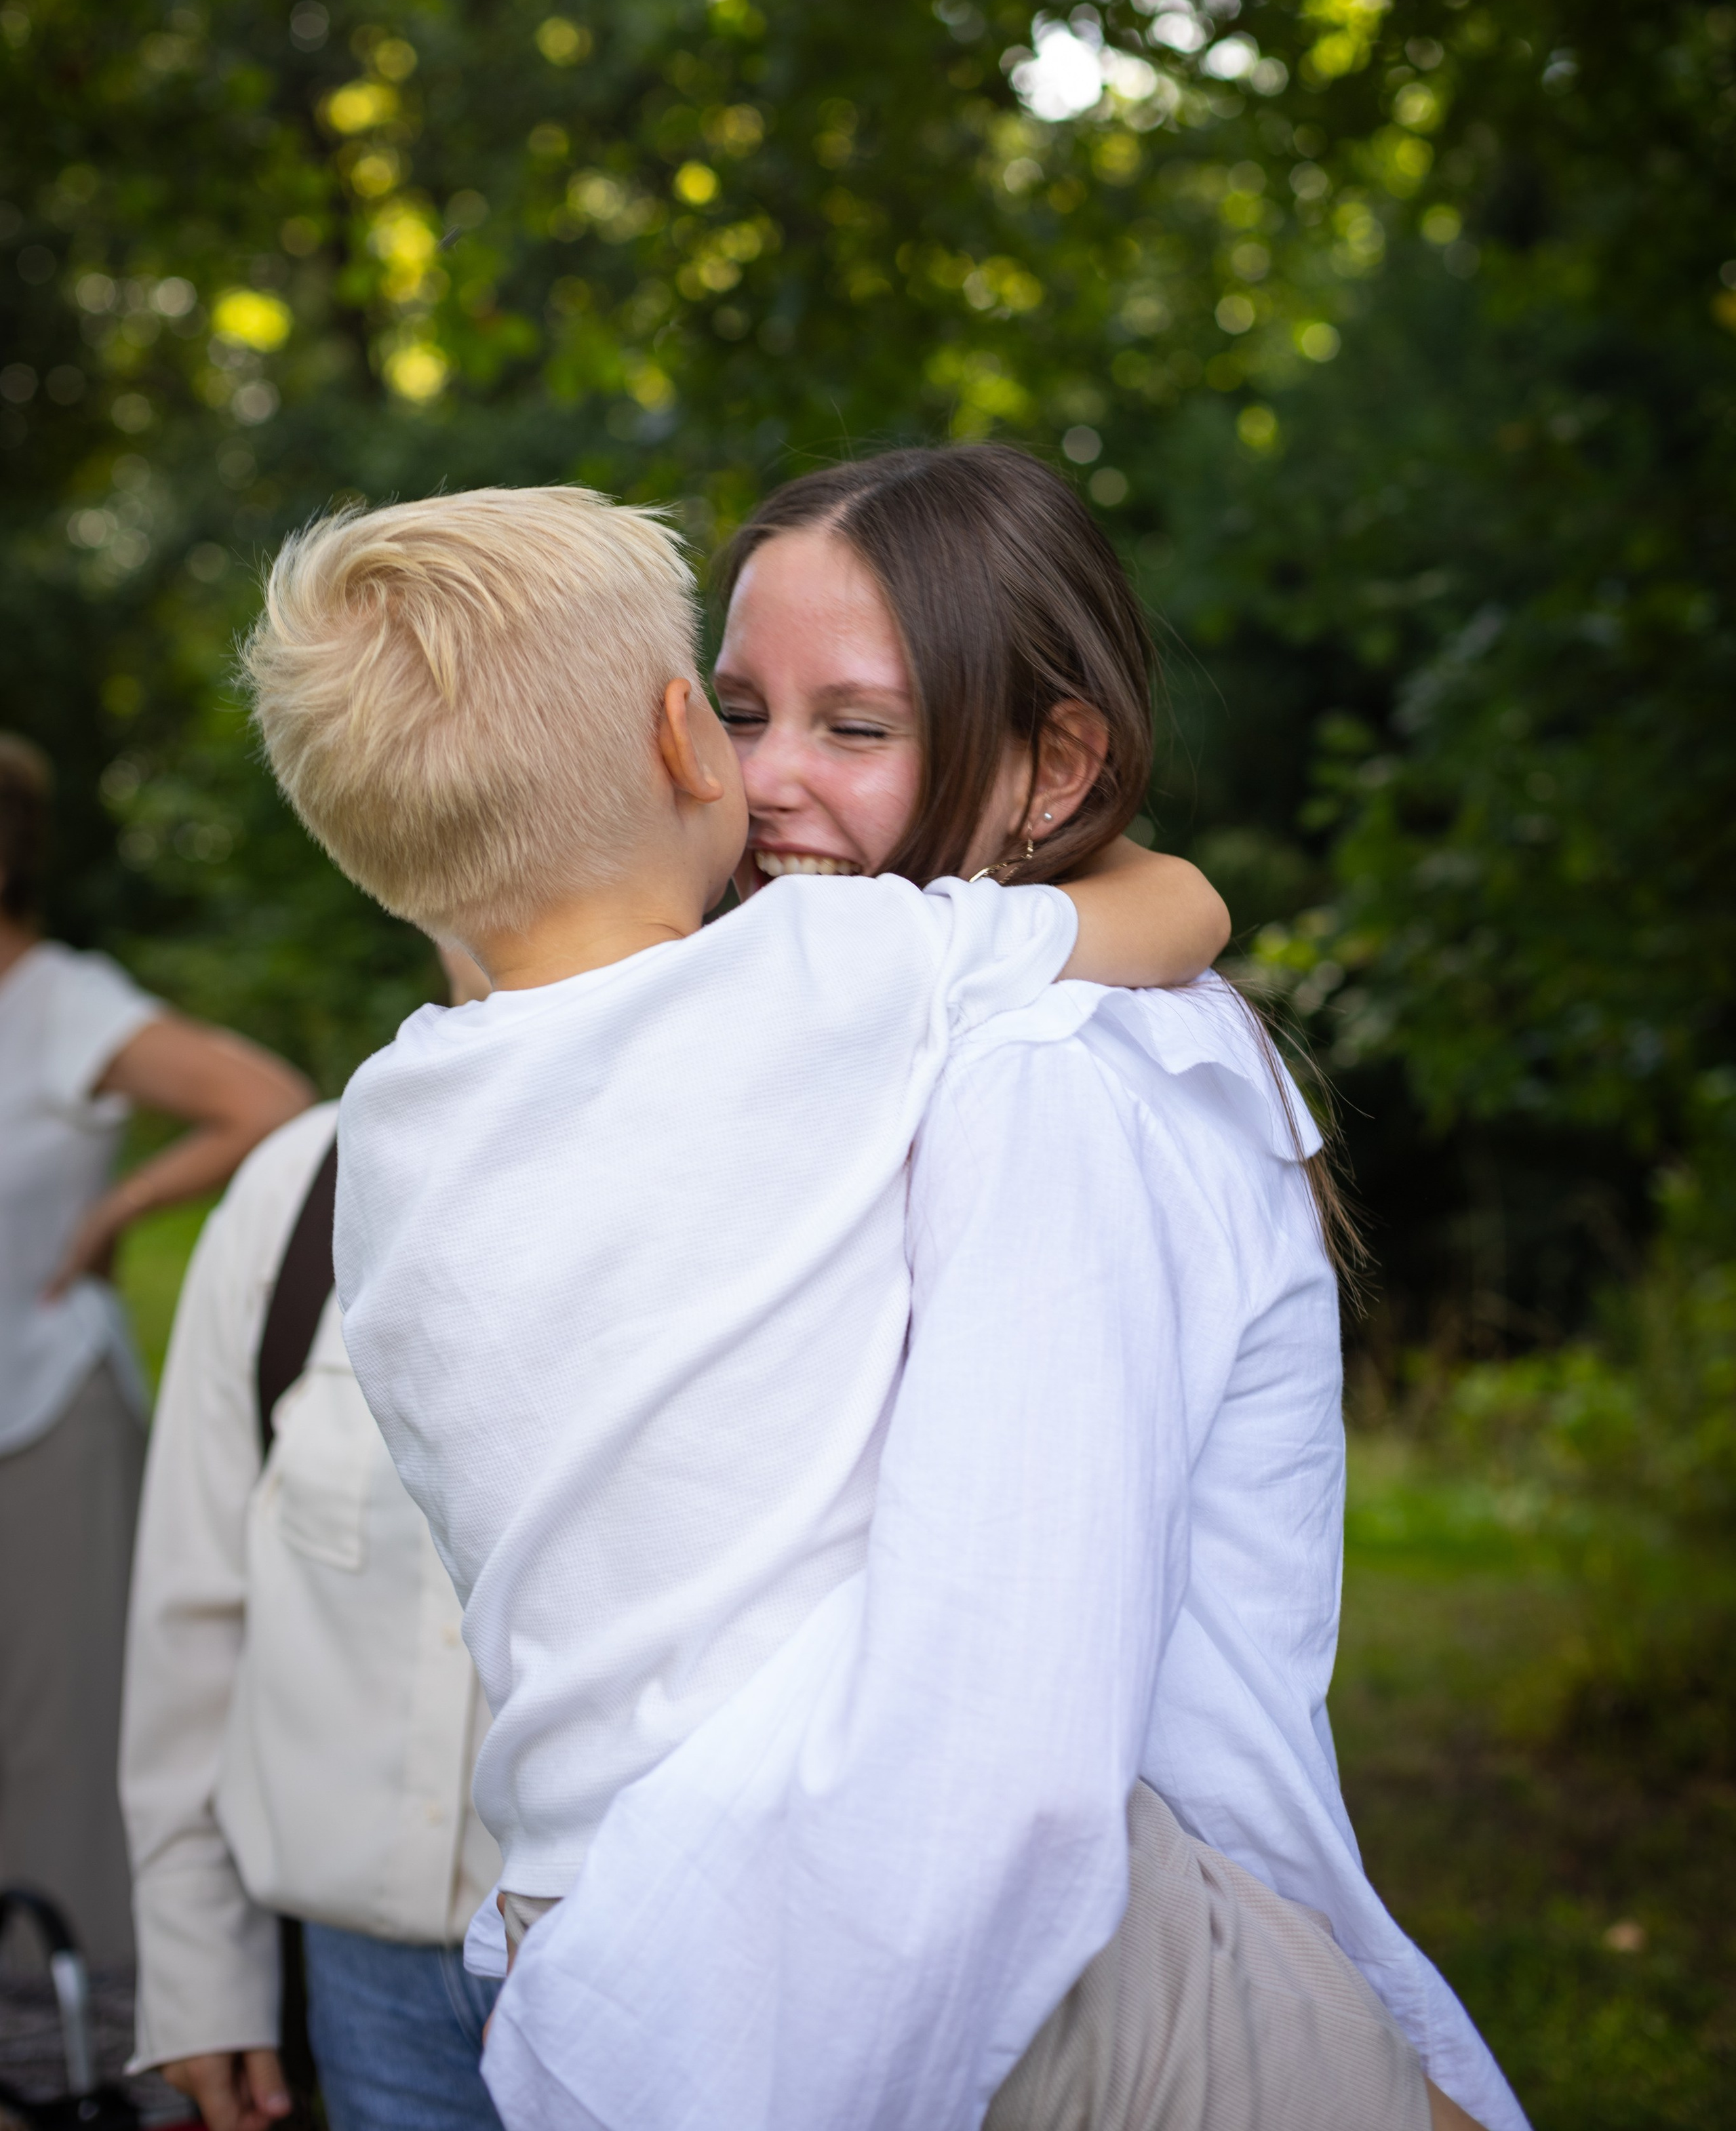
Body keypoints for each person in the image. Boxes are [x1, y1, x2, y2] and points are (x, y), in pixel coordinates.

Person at [474, 447, 1527, 2131]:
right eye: (739, 712)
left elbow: (993, 1740)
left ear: (1056, 766)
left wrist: (615, 2006)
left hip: (1045, 1974)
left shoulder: (1041, 1074)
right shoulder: (902, 1026)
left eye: (858, 727)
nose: (767, 784)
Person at [237, 482, 1227, 1952]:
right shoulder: (819, 975)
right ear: (677, 738)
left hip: (553, 1900)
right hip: (797, 1881)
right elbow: (1180, 915)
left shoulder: (386, 1117)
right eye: (734, 710)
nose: (771, 774)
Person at [121, 947, 504, 2131]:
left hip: (659, 1977)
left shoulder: (771, 1173)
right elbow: (194, 1605)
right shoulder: (303, 1187)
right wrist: (197, 1969)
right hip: (366, 1988)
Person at [0, 731, 311, 1968]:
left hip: (43, 1419)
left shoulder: (63, 1003)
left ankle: (76, 2034)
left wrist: (113, 1213)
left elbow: (268, 1102)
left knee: (62, 1737)